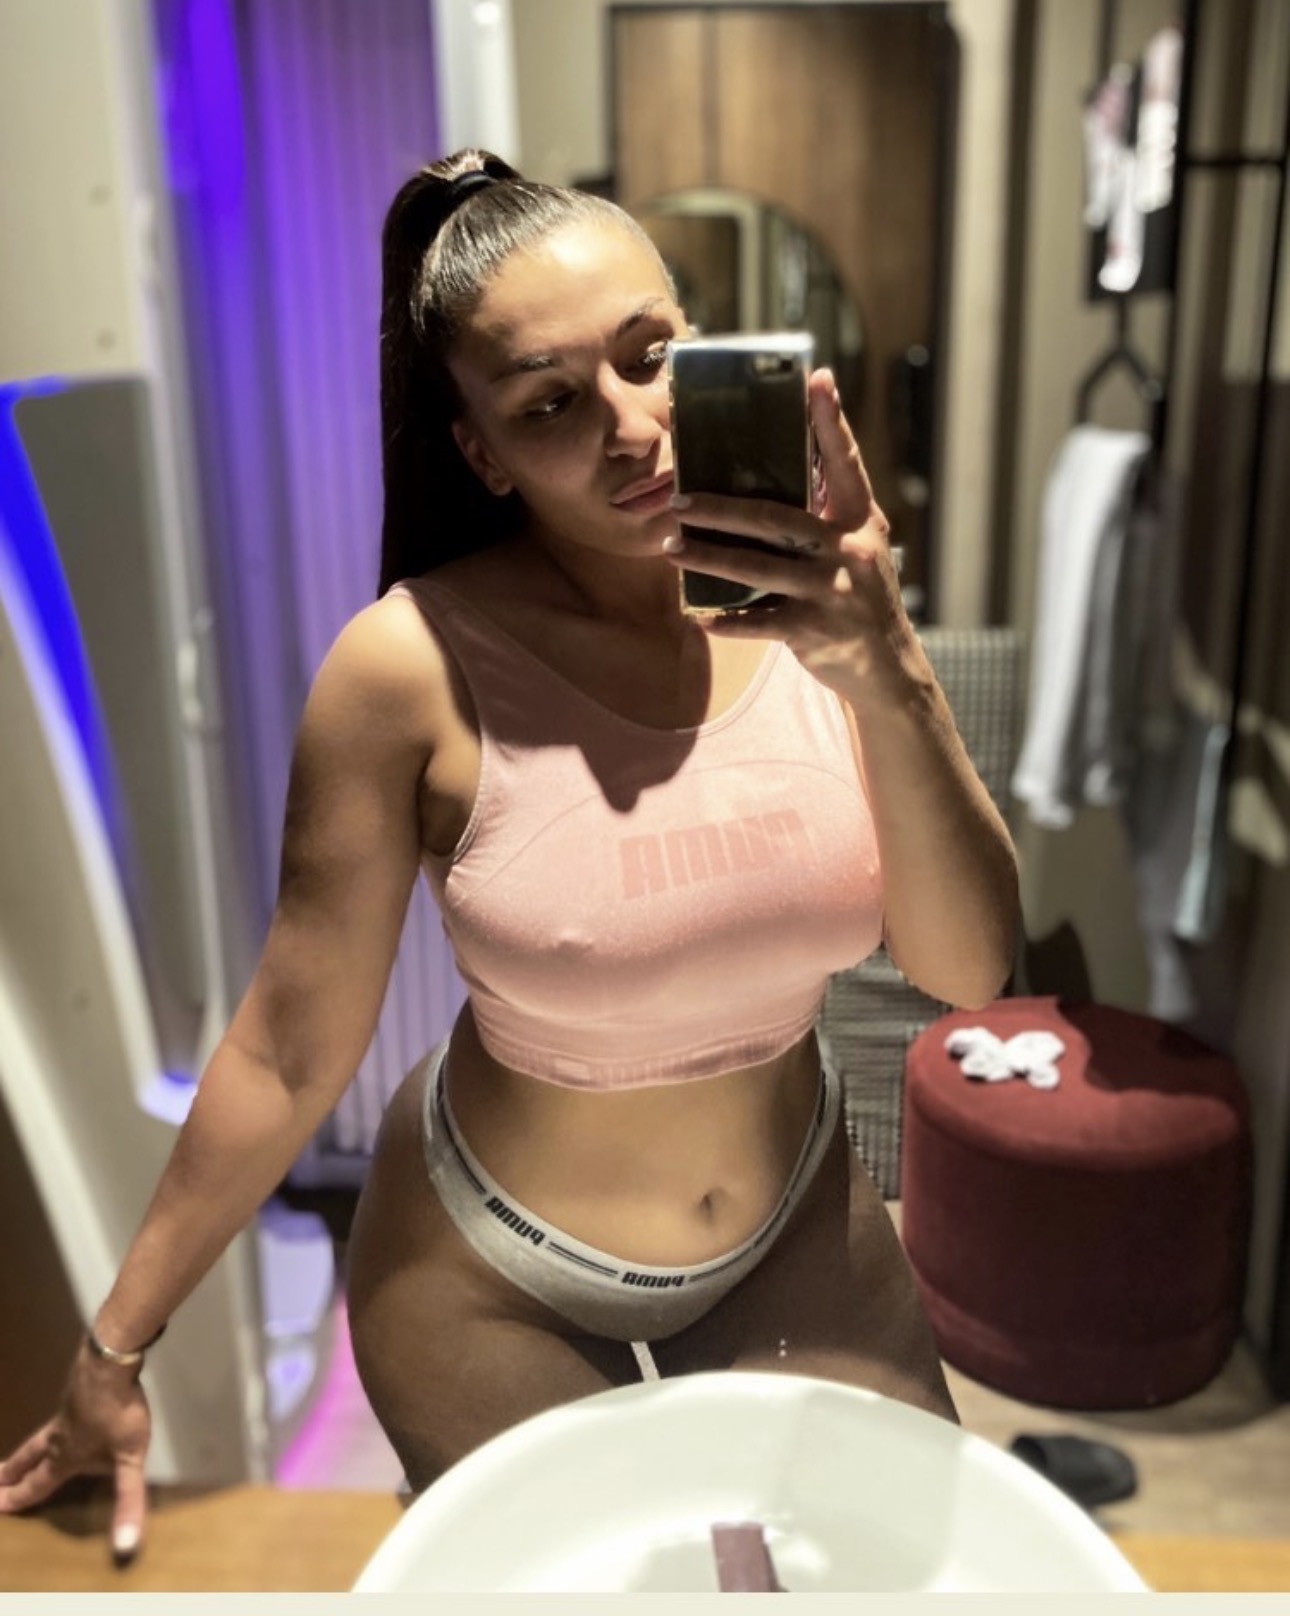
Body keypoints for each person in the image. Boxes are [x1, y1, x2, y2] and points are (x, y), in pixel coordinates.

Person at [0, 149, 1019, 1558]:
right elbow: (288, 1052)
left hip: (797, 1223)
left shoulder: (824, 609)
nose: (633, 429)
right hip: (490, 1277)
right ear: (480, 452)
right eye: (550, 404)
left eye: (649, 357)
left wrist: (886, 659)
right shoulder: (407, 669)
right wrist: (114, 1349)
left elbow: (969, 972)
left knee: (895, 1573)